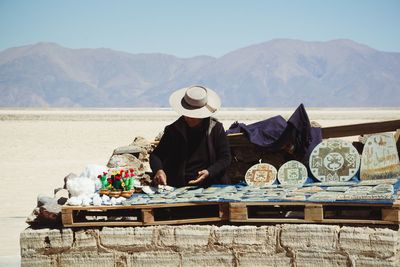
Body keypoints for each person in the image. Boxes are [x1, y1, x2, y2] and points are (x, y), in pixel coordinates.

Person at [150, 85, 232, 188]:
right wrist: (159, 170)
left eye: (193, 116)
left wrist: (209, 172)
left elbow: (225, 158)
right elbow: (156, 155)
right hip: (179, 185)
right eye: (186, 114)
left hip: (210, 184)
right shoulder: (173, 130)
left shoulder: (216, 128)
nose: (188, 118)